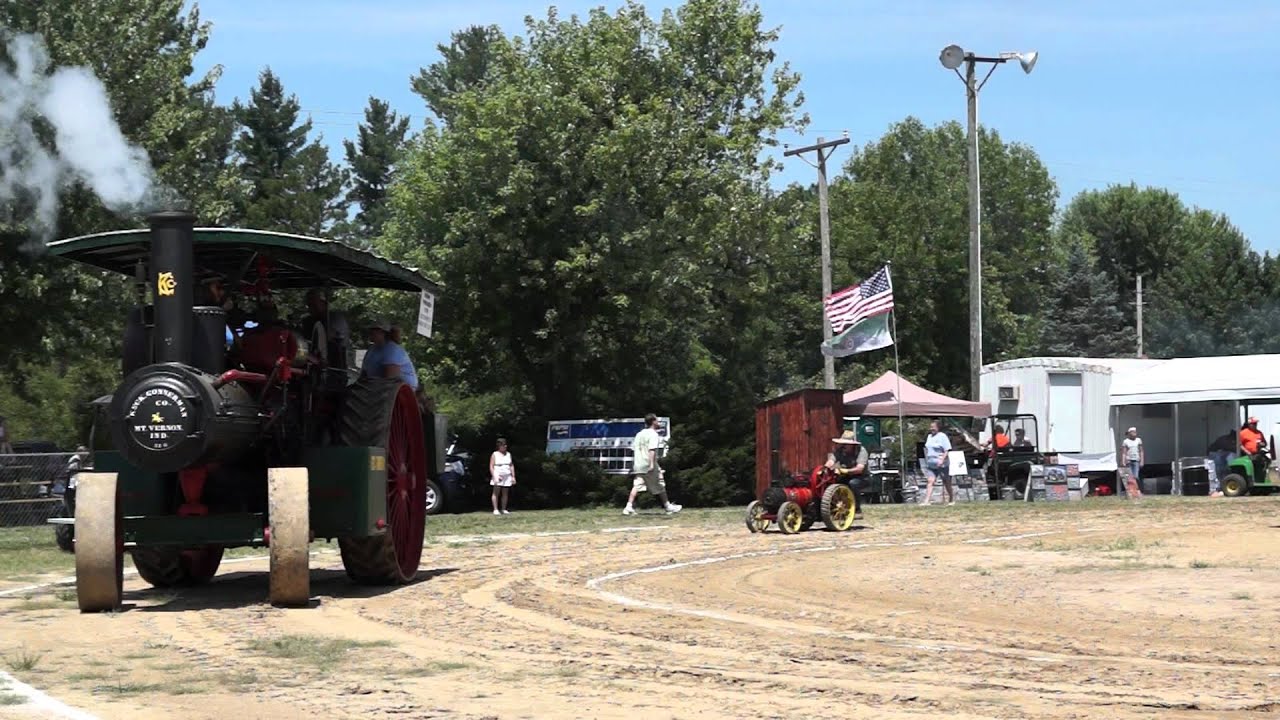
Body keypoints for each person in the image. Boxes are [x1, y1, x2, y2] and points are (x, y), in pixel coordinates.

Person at [623, 414, 681, 515]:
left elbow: (635, 449)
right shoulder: (653, 434)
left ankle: (628, 507)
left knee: (637, 485)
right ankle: (668, 506)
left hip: (639, 464)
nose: (658, 423)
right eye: (657, 421)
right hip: (648, 463)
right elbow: (652, 450)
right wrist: (651, 464)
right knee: (660, 483)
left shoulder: (639, 434)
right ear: (653, 422)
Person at [360, 321, 418, 390]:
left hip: (401, 391)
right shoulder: (372, 350)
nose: (370, 332)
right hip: (378, 387)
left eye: (374, 330)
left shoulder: (392, 349)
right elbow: (364, 374)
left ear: (383, 333)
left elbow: (391, 380)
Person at [824, 431, 867, 520]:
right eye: (843, 444)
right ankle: (833, 508)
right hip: (845, 475)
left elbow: (860, 469)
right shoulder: (839, 450)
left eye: (846, 444)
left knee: (853, 484)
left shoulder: (861, 451)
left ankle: (857, 510)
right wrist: (824, 469)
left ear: (852, 445)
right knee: (832, 483)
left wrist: (846, 471)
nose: (844, 446)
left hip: (862, 477)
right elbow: (830, 462)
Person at [922, 419, 954, 506]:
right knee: (930, 481)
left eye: (933, 427)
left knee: (946, 481)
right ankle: (926, 501)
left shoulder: (942, 436)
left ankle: (951, 498)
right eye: (931, 427)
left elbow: (947, 450)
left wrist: (942, 460)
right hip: (931, 463)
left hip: (941, 463)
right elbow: (927, 448)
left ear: (938, 428)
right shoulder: (929, 437)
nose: (931, 429)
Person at [489, 438, 516, 515]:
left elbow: (511, 465)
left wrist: (513, 476)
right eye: (503, 445)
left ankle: (504, 509)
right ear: (499, 446)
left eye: (505, 445)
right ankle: (495, 509)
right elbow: (491, 466)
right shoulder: (495, 454)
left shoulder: (508, 454)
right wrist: (494, 476)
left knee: (505, 492)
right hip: (498, 473)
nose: (505, 446)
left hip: (507, 474)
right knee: (496, 492)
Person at [1120, 426, 1144, 498]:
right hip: (1129, 460)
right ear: (1129, 433)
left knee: (1136, 476)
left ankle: (1138, 490)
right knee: (1130, 477)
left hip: (1136, 460)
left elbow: (1141, 451)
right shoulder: (1126, 441)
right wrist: (1123, 461)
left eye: (1135, 432)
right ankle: (1131, 492)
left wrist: (1142, 460)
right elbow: (1124, 452)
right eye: (1133, 432)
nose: (1134, 433)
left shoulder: (1138, 440)